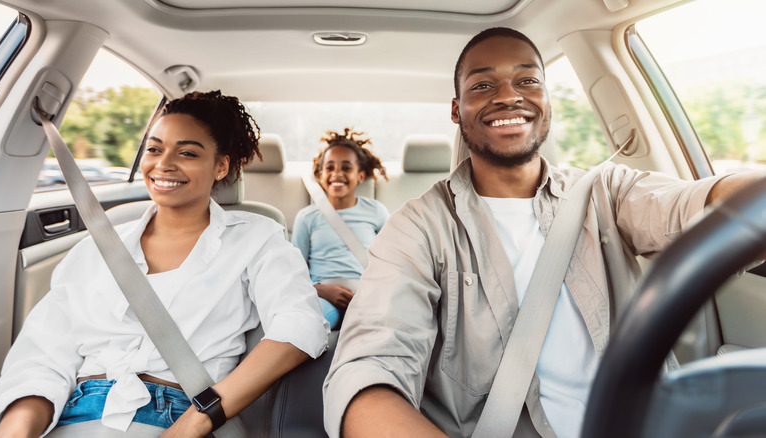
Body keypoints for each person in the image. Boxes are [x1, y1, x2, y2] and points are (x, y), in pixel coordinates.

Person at [322, 27, 766, 438]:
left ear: (548, 100)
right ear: (457, 111)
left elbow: (696, 203)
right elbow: (368, 374)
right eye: (482, 85)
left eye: (528, 81)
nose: (508, 97)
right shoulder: (419, 226)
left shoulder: (606, 191)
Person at [0, 90, 329, 438]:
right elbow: (42, 358)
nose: (163, 163)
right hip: (73, 415)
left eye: (187, 152)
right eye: (153, 148)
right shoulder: (96, 248)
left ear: (221, 166)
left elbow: (300, 326)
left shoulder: (257, 239)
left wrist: (193, 423)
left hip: (180, 415)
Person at [292, 128, 390, 329]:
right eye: (330, 168)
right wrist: (319, 290)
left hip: (366, 295)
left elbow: (392, 262)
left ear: (360, 175)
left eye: (346, 168)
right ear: (320, 175)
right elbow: (294, 273)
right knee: (311, 323)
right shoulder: (307, 217)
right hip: (322, 296)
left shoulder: (377, 212)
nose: (337, 173)